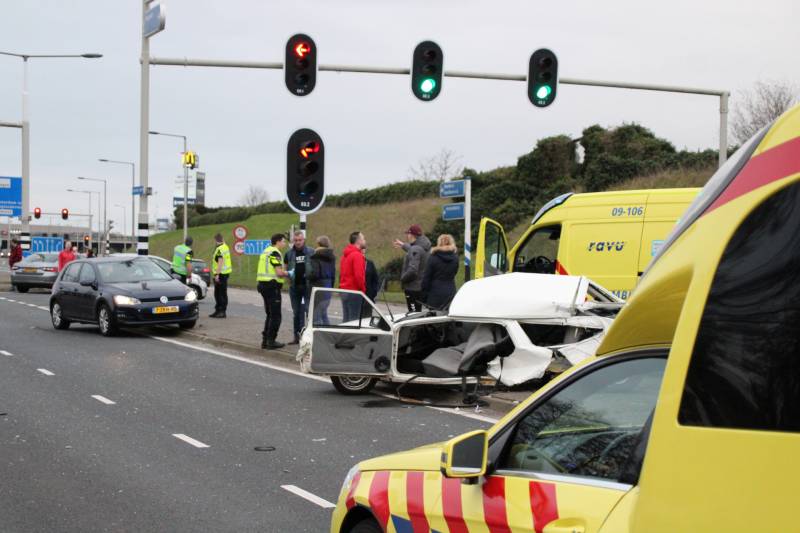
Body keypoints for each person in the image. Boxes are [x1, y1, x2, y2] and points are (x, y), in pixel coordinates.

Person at [257, 234, 290, 349]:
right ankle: (271, 341)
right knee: (276, 315)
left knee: (269, 314)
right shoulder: (275, 253)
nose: (284, 244)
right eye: (283, 241)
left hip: (263, 285)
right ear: (277, 242)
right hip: (272, 286)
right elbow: (279, 272)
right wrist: (289, 273)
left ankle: (265, 341)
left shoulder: (265, 251)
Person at [284, 231, 315, 344]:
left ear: (304, 240)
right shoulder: (289, 254)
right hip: (295, 288)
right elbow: (286, 268)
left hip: (308, 287)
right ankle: (297, 337)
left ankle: (309, 337)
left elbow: (315, 267)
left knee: (308, 311)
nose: (297, 242)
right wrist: (289, 281)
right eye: (295, 240)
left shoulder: (311, 252)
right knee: (297, 313)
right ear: (293, 241)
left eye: (300, 240)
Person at [393, 224, 431, 313]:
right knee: (417, 313)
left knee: (413, 315)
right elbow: (414, 250)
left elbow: (413, 270)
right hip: (420, 286)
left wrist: (403, 279)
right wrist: (403, 245)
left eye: (408, 234)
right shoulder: (423, 246)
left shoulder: (416, 249)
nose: (407, 236)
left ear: (411, 235)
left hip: (412, 288)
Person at [422, 234, 459, 310]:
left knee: (434, 318)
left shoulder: (433, 257)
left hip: (435, 293)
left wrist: (424, 295)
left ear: (439, 243)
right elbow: (455, 272)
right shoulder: (455, 258)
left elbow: (426, 278)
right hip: (450, 292)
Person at [308, 235, 336, 326]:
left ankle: (318, 339)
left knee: (316, 317)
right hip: (327, 288)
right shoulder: (332, 257)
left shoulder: (315, 257)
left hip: (318, 289)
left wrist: (306, 275)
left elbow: (314, 274)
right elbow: (333, 275)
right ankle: (329, 336)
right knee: (323, 314)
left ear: (318, 244)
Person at [339, 231, 367, 322]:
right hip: (354, 292)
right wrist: (362, 290)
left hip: (344, 290)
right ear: (358, 241)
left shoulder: (345, 255)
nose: (365, 241)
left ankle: (344, 336)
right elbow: (359, 276)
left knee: (346, 320)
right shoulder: (357, 255)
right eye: (363, 239)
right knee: (354, 321)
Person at [210, 233, 232, 318]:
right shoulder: (225, 247)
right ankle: (218, 310)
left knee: (220, 294)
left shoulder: (219, 249)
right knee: (219, 293)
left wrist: (217, 275)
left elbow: (220, 262)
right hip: (224, 273)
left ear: (215, 240)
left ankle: (222, 311)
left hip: (221, 274)